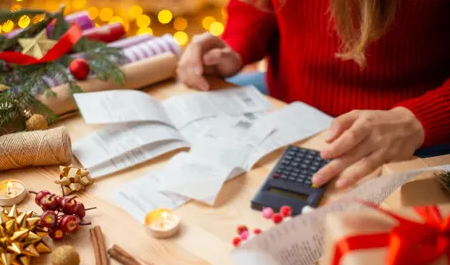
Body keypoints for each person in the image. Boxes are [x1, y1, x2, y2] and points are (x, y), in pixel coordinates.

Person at [177, 0, 450, 189]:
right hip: (288, 105)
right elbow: (257, 8)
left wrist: (418, 118)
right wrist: (233, 47)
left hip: (409, 135)